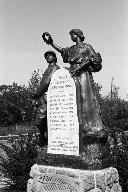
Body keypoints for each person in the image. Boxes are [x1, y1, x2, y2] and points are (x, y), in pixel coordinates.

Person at [42, 29, 104, 137]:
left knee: (85, 98)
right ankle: (75, 126)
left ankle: (90, 125)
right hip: (71, 74)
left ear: (78, 35)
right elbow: (62, 51)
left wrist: (81, 67)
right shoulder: (71, 49)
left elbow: (95, 59)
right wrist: (51, 43)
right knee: (73, 100)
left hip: (83, 74)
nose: (71, 37)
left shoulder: (87, 47)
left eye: (72, 35)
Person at [32, 50, 60, 146]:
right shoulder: (49, 68)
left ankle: (45, 137)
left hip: (50, 98)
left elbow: (45, 83)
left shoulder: (54, 67)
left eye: (50, 55)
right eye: (46, 56)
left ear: (55, 58)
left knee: (40, 119)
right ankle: (44, 137)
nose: (48, 57)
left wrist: (36, 93)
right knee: (41, 120)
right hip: (44, 97)